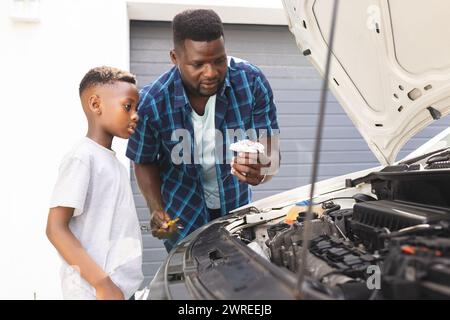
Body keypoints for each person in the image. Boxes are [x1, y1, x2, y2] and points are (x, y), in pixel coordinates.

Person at [126, 9, 280, 252]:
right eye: (198, 64)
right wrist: (157, 209)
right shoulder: (151, 102)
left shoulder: (251, 82)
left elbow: (270, 145)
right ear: (175, 58)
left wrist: (263, 170)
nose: (211, 73)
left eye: (219, 60)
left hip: (237, 215)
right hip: (184, 219)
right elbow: (143, 160)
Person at [46, 66, 144, 300]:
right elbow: (55, 228)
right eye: (127, 106)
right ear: (95, 105)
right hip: (94, 292)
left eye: (136, 108)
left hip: (119, 290)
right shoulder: (82, 157)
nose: (135, 115)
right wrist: (102, 284)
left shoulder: (114, 164)